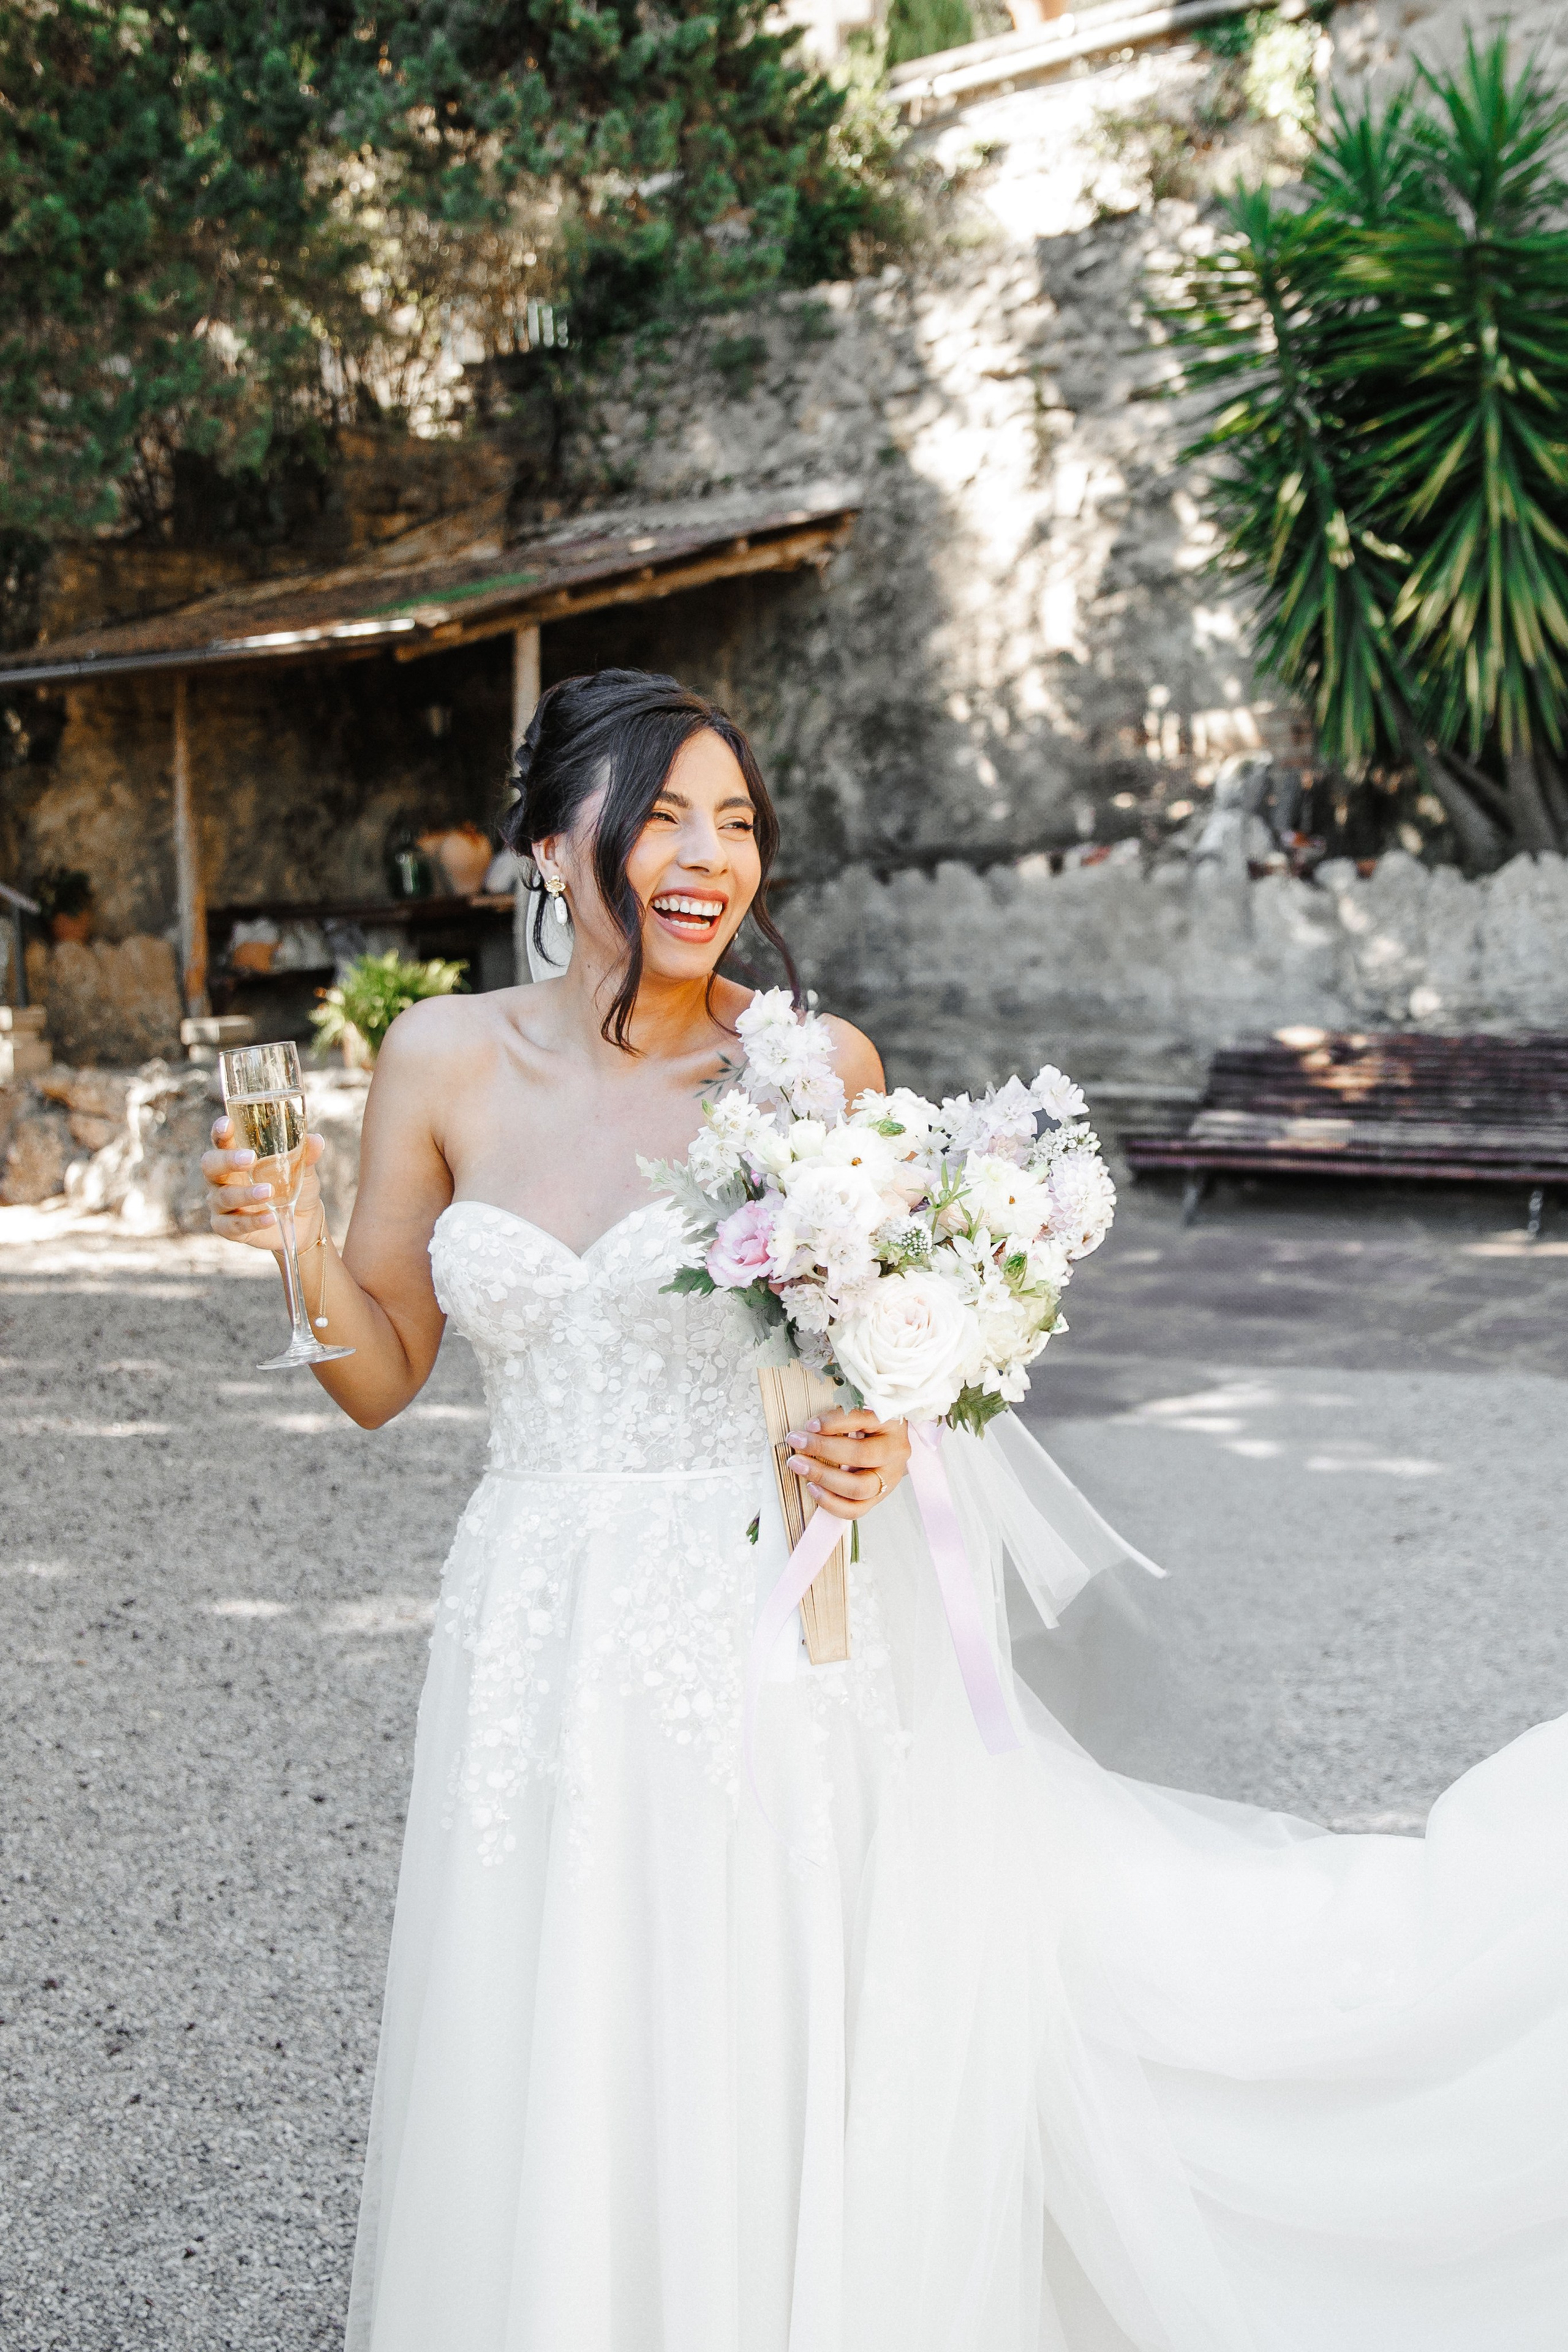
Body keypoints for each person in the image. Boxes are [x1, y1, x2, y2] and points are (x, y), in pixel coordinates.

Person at [205, 669, 1567, 2352]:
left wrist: (878, 1445)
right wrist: (294, 1240)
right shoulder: (437, 1059)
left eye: (742, 822)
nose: (712, 857)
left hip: (758, 1628)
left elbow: (884, 1374)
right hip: (534, 1616)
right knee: (558, 2007)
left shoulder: (805, 1069)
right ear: (555, 846)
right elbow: (384, 1367)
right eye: (666, 816)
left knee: (754, 2005)